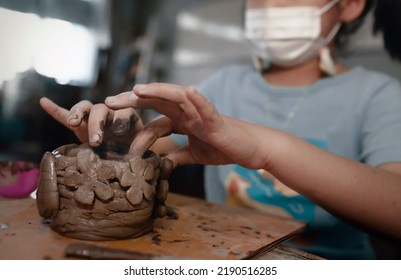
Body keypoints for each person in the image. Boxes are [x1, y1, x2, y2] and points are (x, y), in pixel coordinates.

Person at [40, 0, 401, 259]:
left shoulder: (377, 96)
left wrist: (267, 149)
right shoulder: (223, 85)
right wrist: (119, 146)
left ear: (351, 4)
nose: (268, 6)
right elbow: (157, 151)